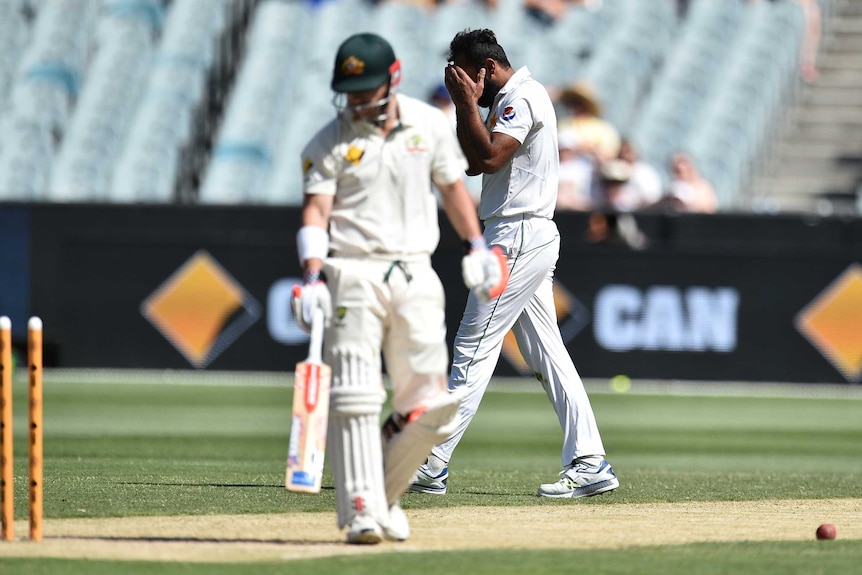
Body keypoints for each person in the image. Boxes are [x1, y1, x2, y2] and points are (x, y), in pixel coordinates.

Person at [290, 32, 508, 544]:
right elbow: (316, 210)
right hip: (351, 273)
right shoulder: (328, 141)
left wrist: (476, 245)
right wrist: (312, 273)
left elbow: (454, 189)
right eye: (351, 92)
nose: (359, 101)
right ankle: (362, 508)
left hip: (415, 271)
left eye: (367, 89)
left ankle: (384, 495)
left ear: (393, 78)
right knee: (358, 395)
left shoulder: (429, 126)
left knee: (431, 404)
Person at [409, 28, 618, 498]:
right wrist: (469, 107)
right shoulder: (505, 101)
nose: (459, 84)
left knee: (472, 344)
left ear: (484, 69)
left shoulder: (521, 98)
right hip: (519, 232)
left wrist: (465, 103)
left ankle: (432, 461)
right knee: (547, 353)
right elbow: (472, 158)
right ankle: (590, 461)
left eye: (464, 75)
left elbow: (486, 157)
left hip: (518, 232)